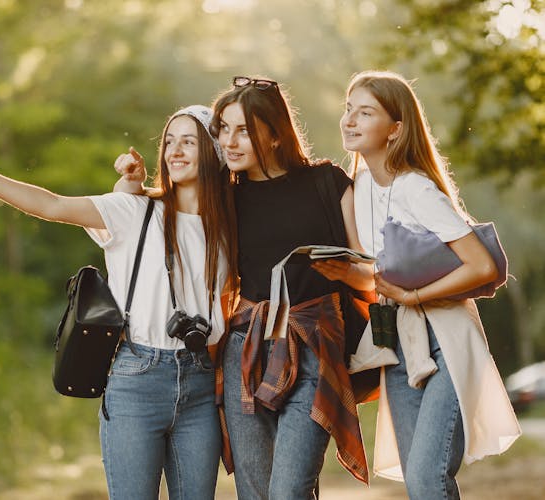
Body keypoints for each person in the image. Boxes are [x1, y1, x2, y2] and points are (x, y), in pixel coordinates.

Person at [0, 105, 237, 500]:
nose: (174, 151)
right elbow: (51, 205)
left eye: (189, 142)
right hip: (137, 379)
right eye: (169, 141)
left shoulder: (230, 226)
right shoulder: (135, 211)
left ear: (214, 151)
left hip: (200, 382)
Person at [115, 77, 375, 500]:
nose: (229, 142)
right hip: (245, 352)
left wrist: (345, 273)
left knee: (289, 490)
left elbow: (369, 272)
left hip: (314, 346)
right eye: (223, 129)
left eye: (243, 130)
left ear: (275, 134)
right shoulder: (224, 199)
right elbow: (157, 213)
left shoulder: (328, 182)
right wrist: (129, 183)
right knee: (254, 493)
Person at [338, 70, 521, 499]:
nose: (350, 120)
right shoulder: (359, 187)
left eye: (365, 112)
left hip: (447, 341)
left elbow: (480, 265)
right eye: (349, 109)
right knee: (420, 478)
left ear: (396, 129)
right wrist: (341, 272)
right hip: (399, 343)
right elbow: (373, 274)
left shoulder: (416, 189)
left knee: (426, 477)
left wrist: (413, 296)